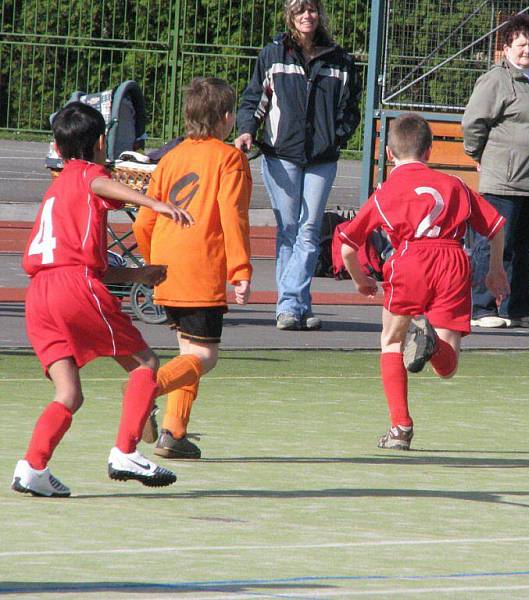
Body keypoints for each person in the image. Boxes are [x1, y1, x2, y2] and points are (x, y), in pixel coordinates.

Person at [12, 102, 193, 497]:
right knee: (145, 363)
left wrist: (136, 275)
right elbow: (97, 182)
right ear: (99, 142)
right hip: (72, 289)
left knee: (69, 394)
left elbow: (80, 261)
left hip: (40, 296)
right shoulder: (86, 174)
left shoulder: (56, 190)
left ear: (57, 151)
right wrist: (154, 203)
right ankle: (126, 452)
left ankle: (33, 467)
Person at [338, 114, 509, 450]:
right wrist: (496, 270)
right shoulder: (454, 185)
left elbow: (347, 247)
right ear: (429, 151)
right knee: (447, 369)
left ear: (389, 154)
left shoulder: (386, 192)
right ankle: (430, 345)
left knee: (391, 342)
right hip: (453, 262)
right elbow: (495, 226)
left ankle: (400, 429)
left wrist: (361, 280)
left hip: (411, 259)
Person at [133, 77, 253, 460]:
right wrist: (241, 271)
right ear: (226, 118)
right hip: (202, 266)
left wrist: (154, 263)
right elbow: (233, 217)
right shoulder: (229, 158)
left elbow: (142, 222)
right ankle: (146, 390)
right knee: (205, 357)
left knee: (188, 351)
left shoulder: (169, 158)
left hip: (167, 266)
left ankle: (173, 433)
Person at [234, 0, 361, 331]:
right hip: (280, 155)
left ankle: (289, 303)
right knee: (289, 230)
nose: (307, 16)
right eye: (300, 10)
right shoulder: (273, 54)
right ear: (290, 15)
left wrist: (337, 136)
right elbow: (254, 100)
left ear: (320, 14)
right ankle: (297, 306)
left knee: (308, 229)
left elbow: (351, 108)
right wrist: (247, 130)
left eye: (313, 10)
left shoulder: (340, 59)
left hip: (322, 158)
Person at [462, 14, 529, 329]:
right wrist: (479, 155)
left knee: (525, 247)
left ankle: (518, 310)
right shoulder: (496, 80)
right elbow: (474, 123)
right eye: (520, 43)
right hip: (503, 182)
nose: (527, 49)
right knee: (492, 246)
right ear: (506, 48)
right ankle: (482, 308)